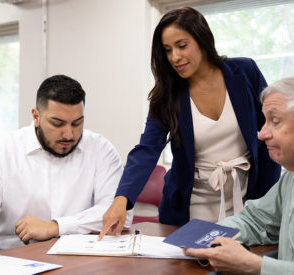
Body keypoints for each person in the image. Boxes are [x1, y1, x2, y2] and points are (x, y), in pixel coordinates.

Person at [99, 7, 281, 238]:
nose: (175, 56)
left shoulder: (245, 72)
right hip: (192, 207)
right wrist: (120, 200)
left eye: (182, 45)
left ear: (202, 39)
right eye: (167, 50)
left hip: (248, 200)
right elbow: (147, 149)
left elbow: (270, 130)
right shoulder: (166, 96)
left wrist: (268, 197)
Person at [0, 74, 132, 255]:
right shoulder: (0, 152)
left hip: (77, 256)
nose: (69, 135)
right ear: (36, 116)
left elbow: (120, 217)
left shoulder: (100, 149)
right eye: (58, 123)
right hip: (10, 256)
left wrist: (55, 227)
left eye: (77, 123)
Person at [186, 76, 294, 274]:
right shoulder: (289, 180)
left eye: (275, 121)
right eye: (265, 121)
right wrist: (207, 236)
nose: (261, 134)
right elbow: (254, 220)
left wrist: (254, 266)